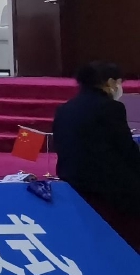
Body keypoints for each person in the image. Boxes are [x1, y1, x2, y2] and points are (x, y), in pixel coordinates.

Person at [53, 61, 140, 219]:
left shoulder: (65, 108)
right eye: (119, 82)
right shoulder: (111, 107)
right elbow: (126, 149)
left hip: (70, 178)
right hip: (103, 184)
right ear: (110, 82)